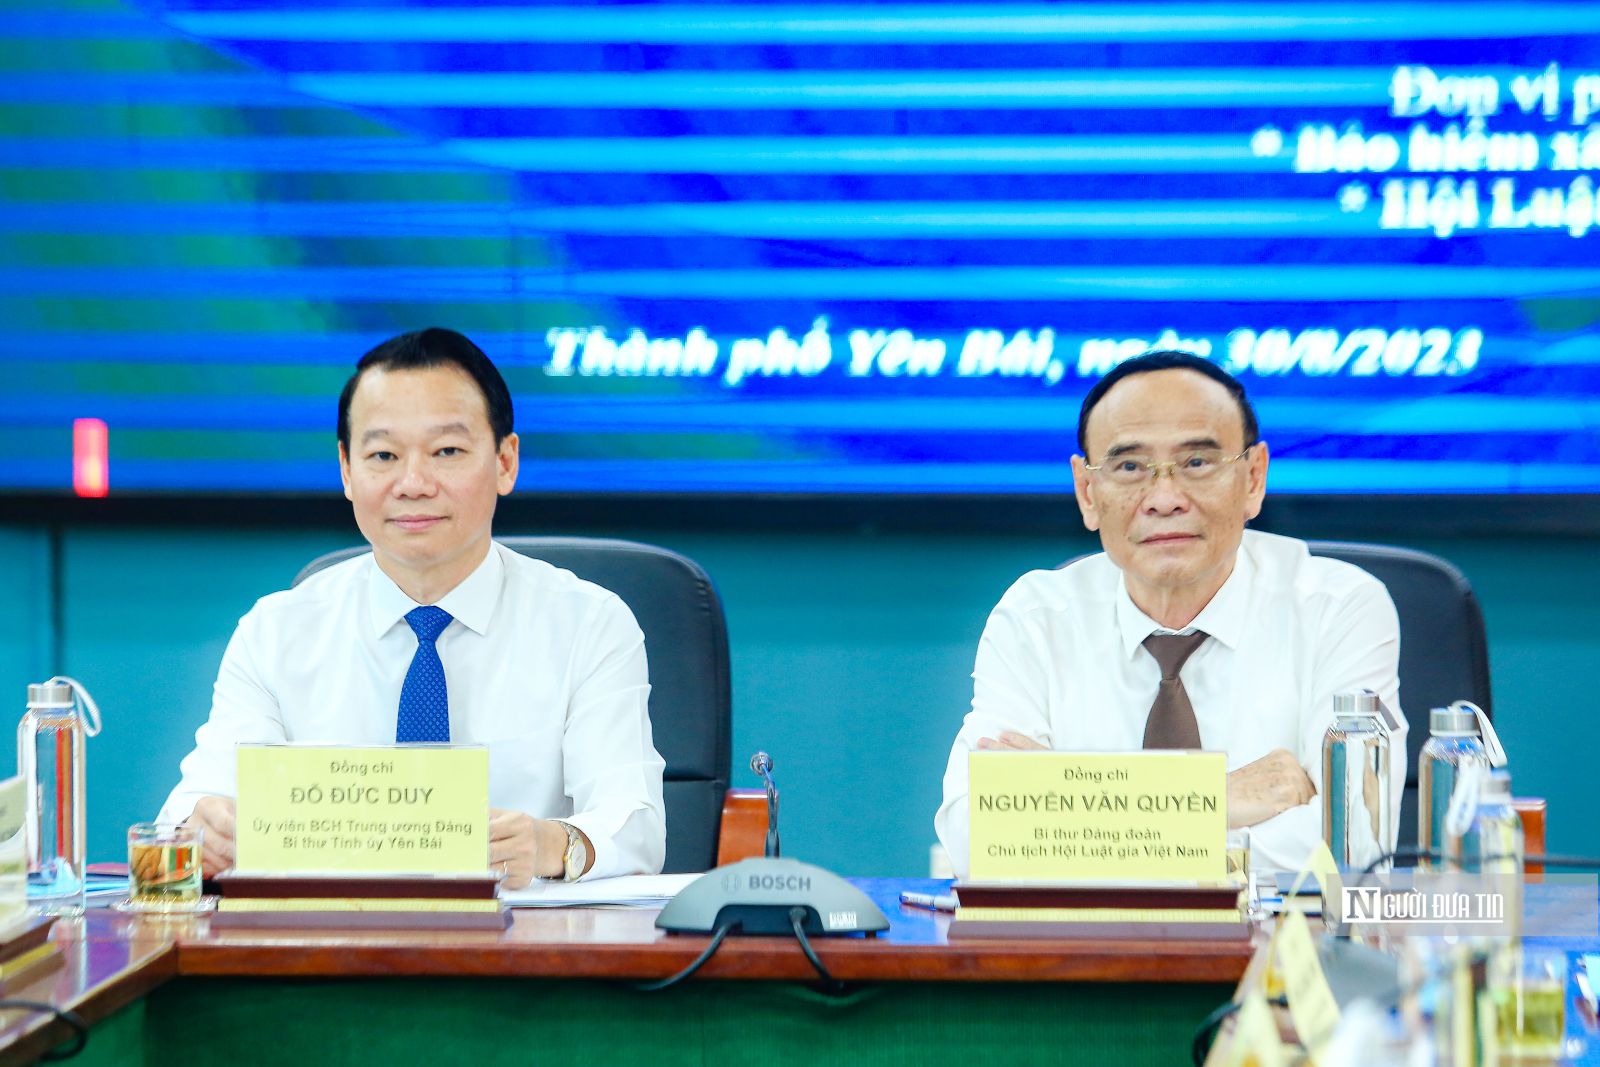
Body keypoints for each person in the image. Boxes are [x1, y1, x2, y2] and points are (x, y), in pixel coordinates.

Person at [159, 328, 666, 886]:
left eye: (447, 451)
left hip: (523, 934)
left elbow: (634, 824)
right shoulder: (276, 631)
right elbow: (186, 816)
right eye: (383, 455)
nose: (414, 483)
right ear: (346, 470)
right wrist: (203, 833)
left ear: (505, 461)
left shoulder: (589, 624)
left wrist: (553, 844)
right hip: (325, 935)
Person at [934, 351, 1405, 877]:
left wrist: (1071, 820)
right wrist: (1214, 799)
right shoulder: (1037, 617)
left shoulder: (1339, 608)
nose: (1164, 498)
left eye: (1197, 463)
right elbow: (978, 836)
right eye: (1129, 467)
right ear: (1087, 492)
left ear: (1253, 478)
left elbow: (1353, 841)